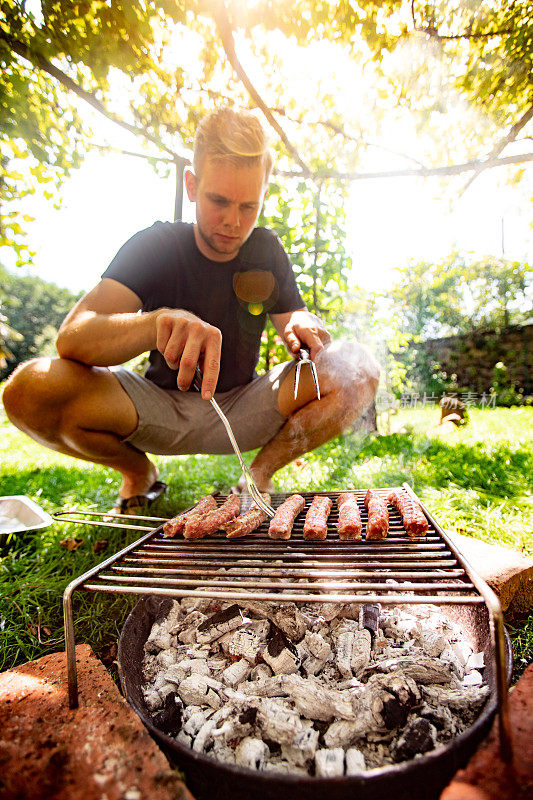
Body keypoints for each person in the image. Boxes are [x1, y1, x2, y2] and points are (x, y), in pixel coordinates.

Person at [3, 108, 380, 514]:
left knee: (358, 367)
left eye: (248, 206)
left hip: (243, 408)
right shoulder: (157, 244)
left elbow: (294, 323)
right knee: (30, 388)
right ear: (192, 185)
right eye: (219, 201)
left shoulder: (265, 250)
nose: (233, 222)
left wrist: (303, 322)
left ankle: (258, 476)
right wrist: (155, 323)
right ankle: (137, 473)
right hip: (156, 408)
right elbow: (73, 336)